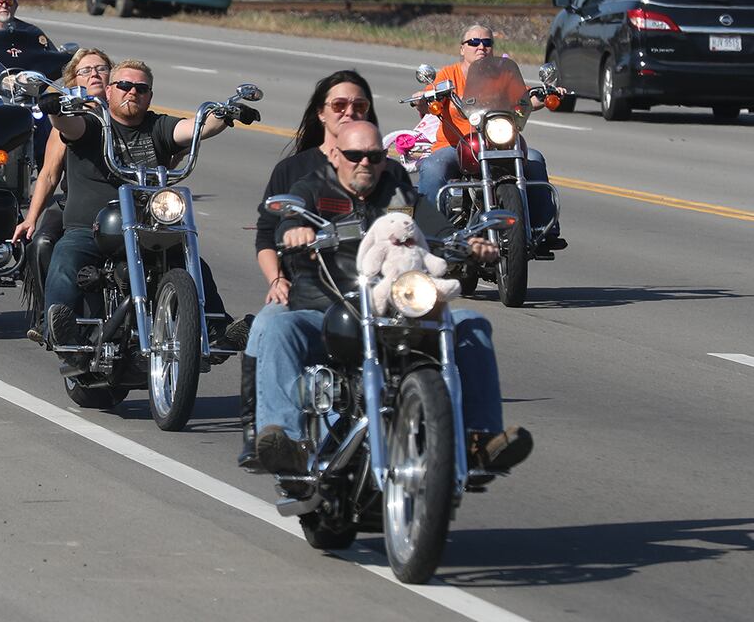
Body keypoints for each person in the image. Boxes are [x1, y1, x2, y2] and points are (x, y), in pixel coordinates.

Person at [250, 120, 532, 475]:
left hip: (400, 308)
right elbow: (288, 222)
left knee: (471, 323)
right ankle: (284, 441)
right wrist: (295, 231)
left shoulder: (401, 197)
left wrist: (469, 244)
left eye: (374, 155)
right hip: (330, 306)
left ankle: (479, 439)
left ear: (384, 158)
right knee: (280, 328)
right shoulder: (312, 189)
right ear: (336, 155)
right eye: (355, 155)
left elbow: (440, 231)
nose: (365, 162)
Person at [41, 59, 244, 361]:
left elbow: (195, 128)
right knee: (65, 258)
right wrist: (55, 109)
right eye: (124, 85)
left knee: (194, 263)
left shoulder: (158, 126)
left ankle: (215, 329)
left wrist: (226, 116)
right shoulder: (93, 123)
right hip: (90, 228)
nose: (131, 92)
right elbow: (69, 126)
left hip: (148, 226)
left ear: (149, 95)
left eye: (140, 88)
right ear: (109, 91)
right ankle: (61, 329)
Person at [238, 70, 380, 467]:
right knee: (268, 324)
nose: (349, 112)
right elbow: (267, 236)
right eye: (339, 105)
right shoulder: (295, 170)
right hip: (307, 286)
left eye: (359, 106)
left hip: (370, 292)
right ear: (321, 113)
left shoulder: (381, 166)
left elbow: (413, 215)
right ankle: (262, 433)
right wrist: (277, 279)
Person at [414, 23, 562, 250]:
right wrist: (423, 98)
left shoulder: (502, 74)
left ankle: (543, 228)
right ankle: (429, 232)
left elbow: (523, 99)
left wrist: (546, 93)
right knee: (433, 167)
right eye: (473, 42)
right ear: (462, 48)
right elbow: (428, 97)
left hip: (498, 143)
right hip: (458, 146)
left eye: (487, 42)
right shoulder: (449, 75)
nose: (481, 47)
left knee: (534, 159)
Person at [13, 46, 112, 341]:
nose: (94, 74)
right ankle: (51, 317)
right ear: (73, 82)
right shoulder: (68, 117)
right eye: (86, 70)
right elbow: (49, 173)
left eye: (101, 69)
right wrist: (31, 217)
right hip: (77, 203)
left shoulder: (127, 110)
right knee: (42, 241)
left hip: (126, 204)